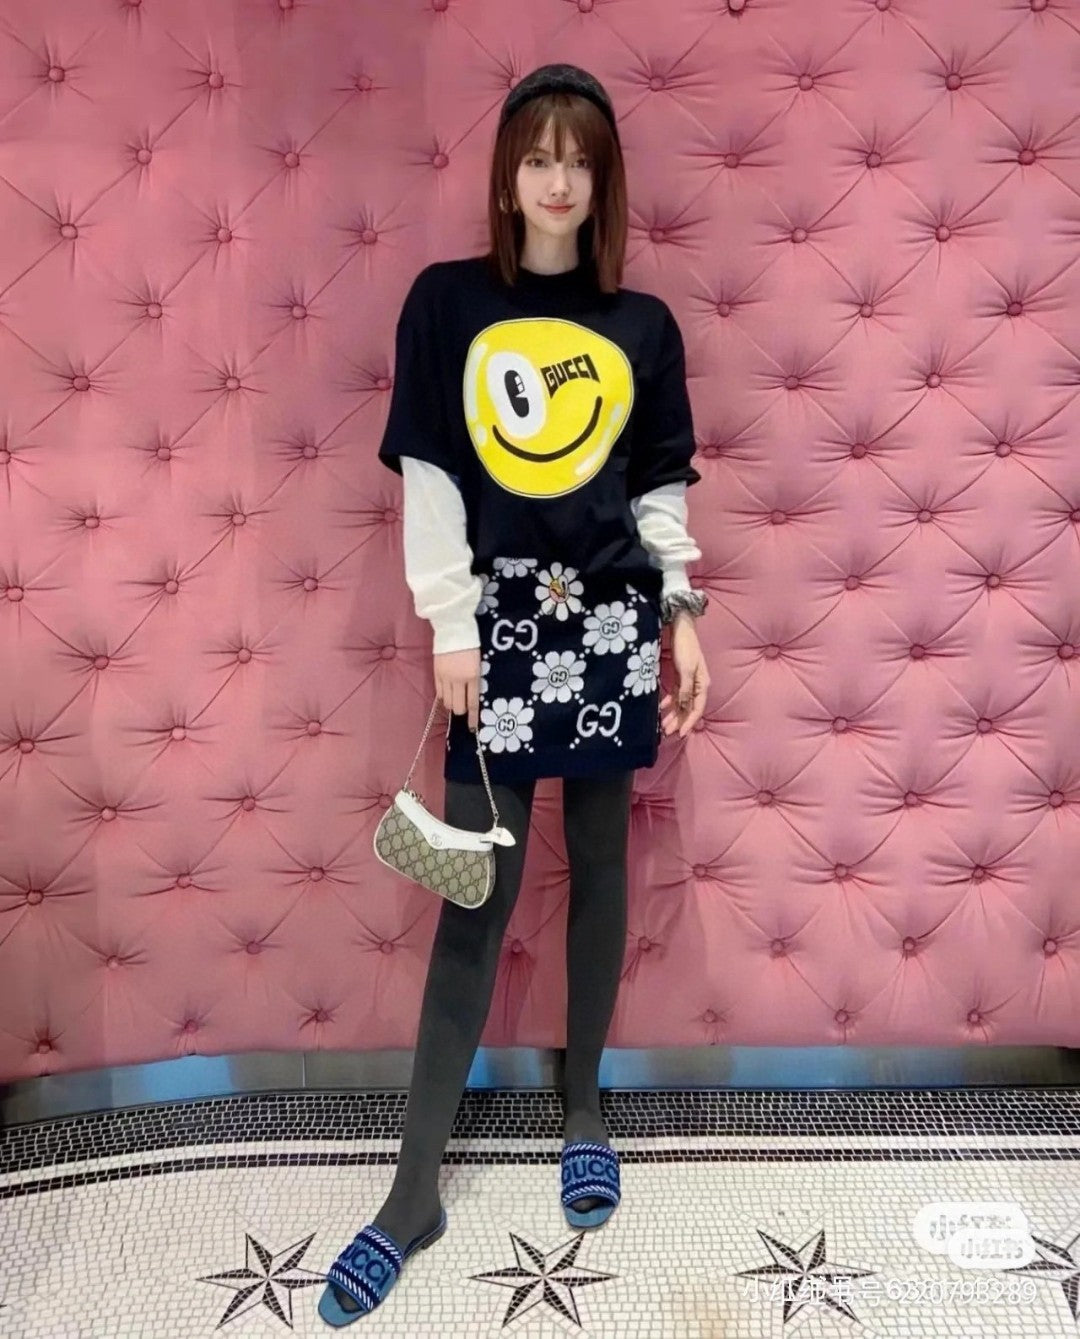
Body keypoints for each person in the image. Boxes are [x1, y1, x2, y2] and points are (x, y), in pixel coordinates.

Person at [318, 63, 710, 1327]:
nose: (558, 180)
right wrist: (449, 621)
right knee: (472, 900)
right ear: (507, 173)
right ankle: (411, 1193)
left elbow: (658, 488)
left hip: (611, 623)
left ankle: (584, 1110)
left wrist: (682, 616)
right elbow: (432, 470)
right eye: (539, 156)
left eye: (580, 160)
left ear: (603, 181)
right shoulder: (447, 305)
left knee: (598, 866)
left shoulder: (643, 326)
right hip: (495, 626)